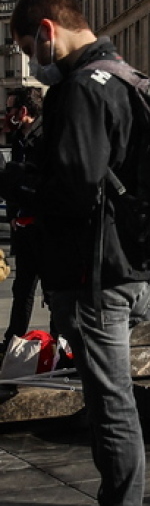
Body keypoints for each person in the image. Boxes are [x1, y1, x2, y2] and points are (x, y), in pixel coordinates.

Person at [9, 0, 150, 506]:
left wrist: (19, 182)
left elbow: (74, 191)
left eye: (29, 49)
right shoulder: (125, 76)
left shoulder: (79, 89)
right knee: (112, 400)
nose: (32, 63)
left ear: (48, 31)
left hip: (104, 274)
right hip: (139, 268)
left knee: (111, 406)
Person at [0, 87, 46, 356]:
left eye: (10, 109)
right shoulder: (19, 138)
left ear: (24, 112)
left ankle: (61, 344)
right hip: (24, 228)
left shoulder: (46, 138)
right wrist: (14, 217)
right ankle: (13, 339)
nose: (7, 114)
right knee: (23, 289)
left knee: (53, 292)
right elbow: (13, 184)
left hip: (45, 229)